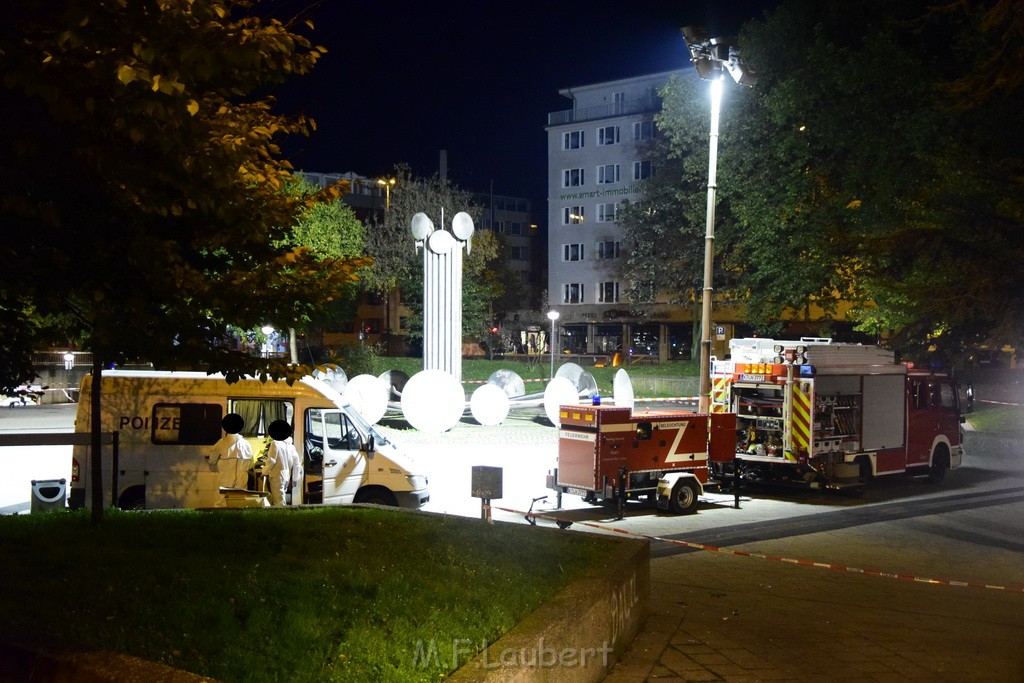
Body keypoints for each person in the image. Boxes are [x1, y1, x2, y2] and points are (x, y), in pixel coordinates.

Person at [207, 413, 253, 491]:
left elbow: (212, 461)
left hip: (225, 480)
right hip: (242, 481)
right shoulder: (247, 444)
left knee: (222, 502)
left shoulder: (221, 443)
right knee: (239, 501)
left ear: (225, 427)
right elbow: (251, 465)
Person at [263, 419, 302, 506]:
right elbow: (296, 464)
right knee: (282, 497)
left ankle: (281, 517)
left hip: (277, 475)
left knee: (278, 501)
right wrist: (295, 479)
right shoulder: (290, 446)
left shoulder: (275, 443)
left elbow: (271, 461)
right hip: (286, 475)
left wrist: (264, 472)